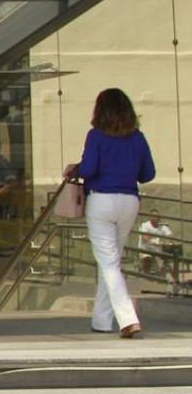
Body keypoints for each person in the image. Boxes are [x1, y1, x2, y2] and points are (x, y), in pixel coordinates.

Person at [65, 88, 156, 339]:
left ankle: (127, 319)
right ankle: (102, 320)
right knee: (112, 262)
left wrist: (75, 169)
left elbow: (90, 168)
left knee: (108, 263)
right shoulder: (137, 137)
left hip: (101, 201)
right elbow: (148, 174)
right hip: (129, 200)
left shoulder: (95, 136)